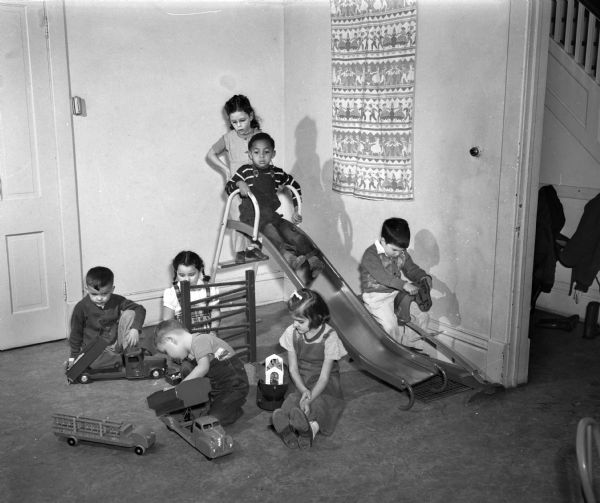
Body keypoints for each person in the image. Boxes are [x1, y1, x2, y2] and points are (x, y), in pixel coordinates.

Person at [225, 132, 324, 279]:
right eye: (256, 152)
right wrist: (240, 183)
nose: (262, 156)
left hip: (272, 216)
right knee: (272, 233)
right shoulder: (245, 171)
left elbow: (295, 186)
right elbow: (229, 187)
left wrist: (296, 209)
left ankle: (313, 259)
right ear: (250, 155)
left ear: (273, 154)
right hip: (253, 218)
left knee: (293, 234)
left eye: (266, 152)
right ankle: (289, 257)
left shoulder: (276, 173)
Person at [271, 289, 347, 449]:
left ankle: (309, 431)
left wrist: (310, 398)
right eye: (294, 320)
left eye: (300, 321)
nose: (294, 324)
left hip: (324, 383)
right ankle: (288, 428)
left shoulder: (330, 337)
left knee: (320, 404)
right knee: (293, 400)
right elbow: (292, 369)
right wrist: (304, 390)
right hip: (302, 379)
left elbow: (324, 377)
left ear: (316, 318)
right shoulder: (291, 332)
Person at [206, 94, 267, 264]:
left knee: (258, 216)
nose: (238, 125)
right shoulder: (229, 138)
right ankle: (241, 251)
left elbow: (267, 158)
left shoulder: (260, 136)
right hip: (237, 186)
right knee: (239, 217)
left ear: (251, 116)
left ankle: (254, 248)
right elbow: (211, 154)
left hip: (257, 184)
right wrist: (226, 170)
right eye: (234, 122)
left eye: (242, 120)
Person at [154, 319, 249, 426]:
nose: (169, 356)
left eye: (166, 351)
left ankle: (232, 411)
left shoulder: (200, 340)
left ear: (170, 340)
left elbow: (203, 368)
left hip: (233, 387)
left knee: (213, 420)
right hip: (216, 385)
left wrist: (180, 387)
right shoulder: (191, 352)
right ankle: (202, 403)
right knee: (186, 366)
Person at [359, 217, 432, 349]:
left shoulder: (400, 253)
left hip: (395, 292)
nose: (398, 254)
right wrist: (404, 284)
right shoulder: (371, 255)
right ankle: (394, 352)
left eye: (402, 251)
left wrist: (423, 277)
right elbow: (383, 277)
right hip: (376, 296)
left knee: (421, 315)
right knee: (391, 326)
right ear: (383, 241)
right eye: (394, 250)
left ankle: (414, 348)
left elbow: (411, 269)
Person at [68, 266, 146, 368]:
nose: (99, 298)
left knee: (130, 313)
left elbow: (140, 309)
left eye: (104, 294)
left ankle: (129, 353)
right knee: (92, 363)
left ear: (112, 289)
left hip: (116, 344)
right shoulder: (81, 307)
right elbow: (75, 333)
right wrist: (73, 357)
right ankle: (124, 359)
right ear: (87, 290)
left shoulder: (117, 300)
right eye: (94, 294)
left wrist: (135, 328)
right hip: (95, 349)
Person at [162, 250, 220, 331]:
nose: (187, 279)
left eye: (191, 274)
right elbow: (167, 320)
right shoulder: (172, 293)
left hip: (207, 336)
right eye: (181, 275)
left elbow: (215, 314)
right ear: (176, 272)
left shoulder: (210, 289)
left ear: (200, 270)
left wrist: (213, 333)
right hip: (183, 337)